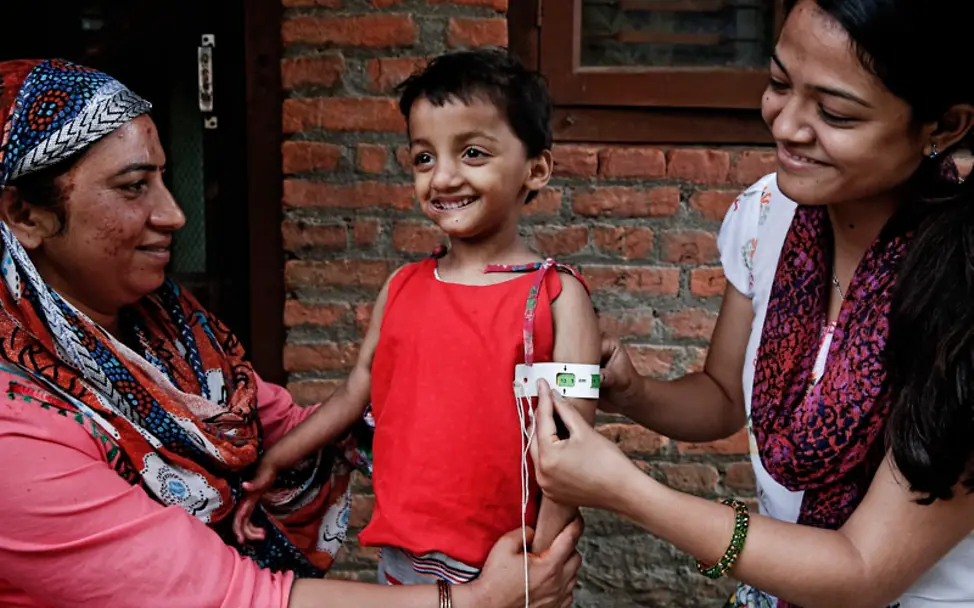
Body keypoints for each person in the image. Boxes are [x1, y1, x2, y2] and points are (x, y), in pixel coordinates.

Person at [0, 58, 582, 608]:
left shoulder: (167, 333)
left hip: (493, 545)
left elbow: (309, 421)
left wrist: (535, 555)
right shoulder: (15, 434)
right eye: (133, 186)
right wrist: (480, 600)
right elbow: (235, 596)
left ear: (537, 169)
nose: (174, 214)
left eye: (473, 152)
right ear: (25, 215)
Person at [528, 1, 974, 607]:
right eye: (779, 83)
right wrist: (633, 392)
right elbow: (722, 396)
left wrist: (628, 491)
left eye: (835, 113)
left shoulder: (961, 290)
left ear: (944, 126)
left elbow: (862, 571)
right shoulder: (769, 216)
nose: (786, 126)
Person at [233, 48, 601, 589]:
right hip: (402, 563)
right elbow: (356, 390)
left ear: (536, 169)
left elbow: (572, 447)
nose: (443, 177)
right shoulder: (402, 286)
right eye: (424, 158)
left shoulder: (555, 298)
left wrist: (537, 566)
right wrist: (277, 459)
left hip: (507, 563)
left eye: (472, 153)